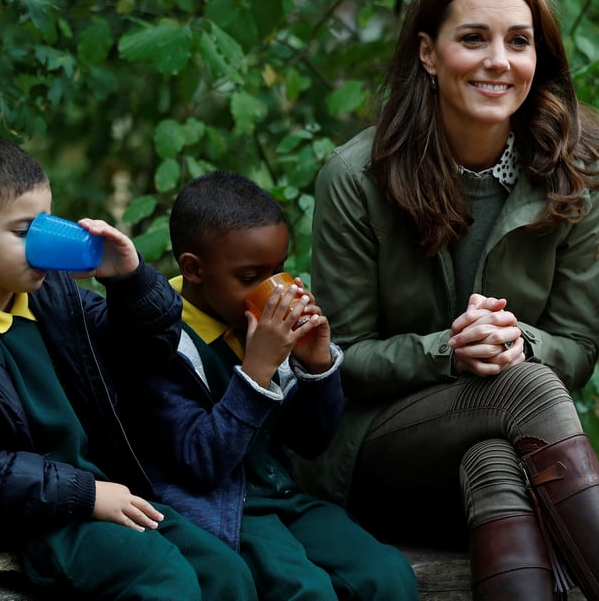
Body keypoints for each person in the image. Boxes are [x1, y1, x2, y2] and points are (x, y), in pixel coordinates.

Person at [291, 0, 599, 601]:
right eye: (473, 38)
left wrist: (518, 340)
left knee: (494, 458)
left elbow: (575, 349)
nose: (499, 60)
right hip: (378, 454)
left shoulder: (574, 175)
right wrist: (450, 352)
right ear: (429, 55)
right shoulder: (357, 178)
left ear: (537, 57)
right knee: (525, 390)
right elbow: (339, 362)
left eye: (519, 41)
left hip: (498, 455)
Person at [0, 135, 258, 600]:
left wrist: (129, 282)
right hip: (30, 516)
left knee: (223, 571)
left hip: (94, 489)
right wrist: (89, 495)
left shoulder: (49, 296)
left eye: (47, 223)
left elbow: (143, 354)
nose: (42, 245)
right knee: (162, 581)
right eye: (23, 232)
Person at [119, 170, 420, 601]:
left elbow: (310, 441)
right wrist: (256, 370)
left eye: (278, 271)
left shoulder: (254, 325)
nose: (271, 288)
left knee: (386, 574)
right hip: (222, 510)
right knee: (305, 590)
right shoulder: (161, 340)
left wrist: (315, 368)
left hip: (283, 497)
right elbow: (200, 463)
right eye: (249, 277)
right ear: (194, 269)